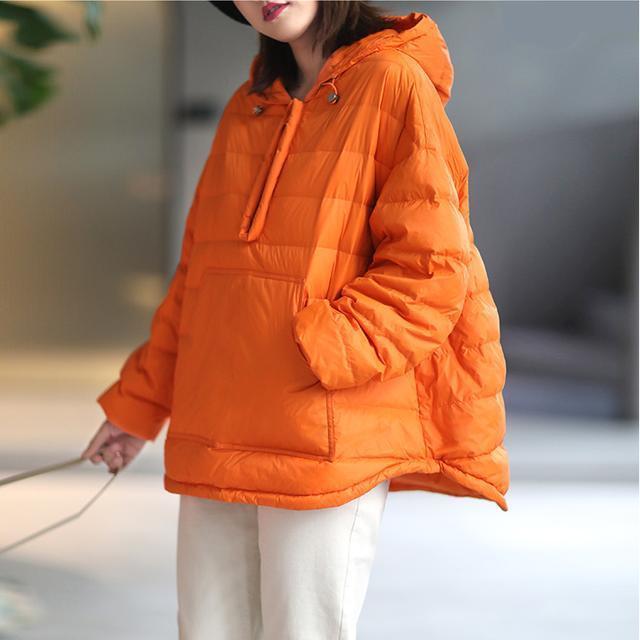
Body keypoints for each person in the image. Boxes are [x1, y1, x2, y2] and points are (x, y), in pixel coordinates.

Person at [82, 1, 510, 638]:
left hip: (322, 430)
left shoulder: (392, 82)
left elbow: (431, 268)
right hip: (217, 422)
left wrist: (324, 351)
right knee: (209, 631)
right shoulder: (249, 105)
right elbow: (198, 278)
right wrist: (137, 406)